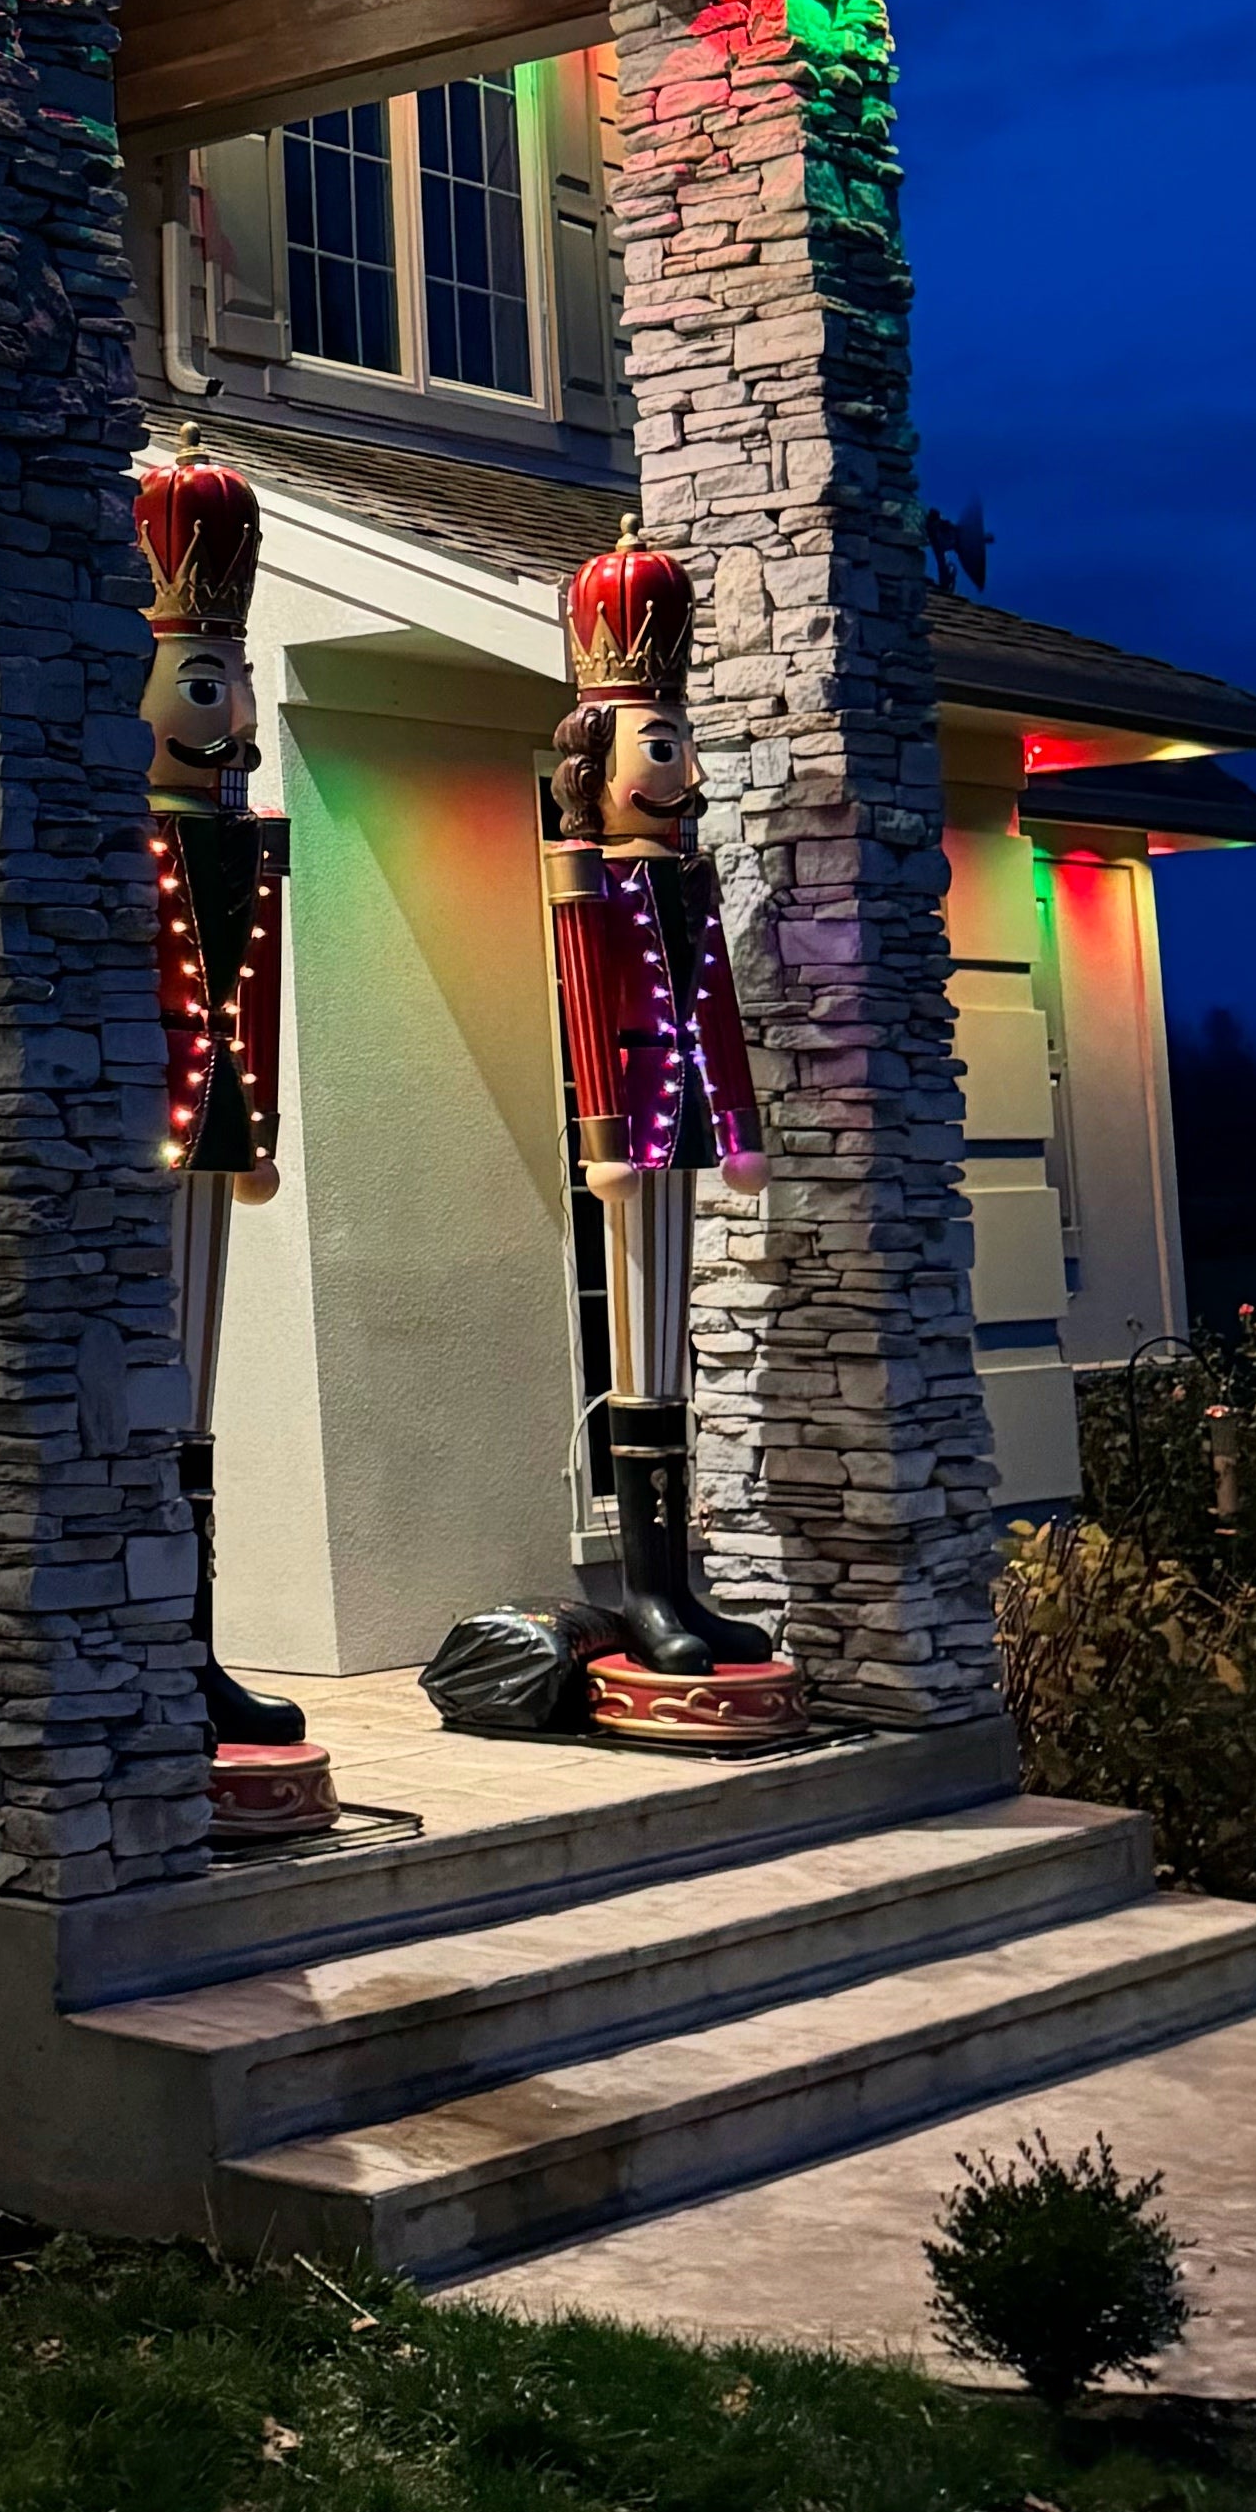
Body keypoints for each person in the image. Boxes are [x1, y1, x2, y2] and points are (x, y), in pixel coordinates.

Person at [548, 527, 803, 1741]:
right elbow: (584, 1004)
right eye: (661, 746)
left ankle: (679, 1584)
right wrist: (601, 1132)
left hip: (691, 1115)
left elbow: (718, 1006)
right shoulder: (585, 878)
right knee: (639, 1346)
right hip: (634, 1132)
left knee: (674, 1352)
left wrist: (740, 1122)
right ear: (595, 760)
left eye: (682, 743)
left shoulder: (687, 881)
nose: (683, 768)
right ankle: (648, 1592)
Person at [136, 447, 322, 1820]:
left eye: (241, 681)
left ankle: (193, 1650)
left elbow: (250, 981)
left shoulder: (244, 837)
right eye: (210, 683)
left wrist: (254, 1121)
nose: (241, 713)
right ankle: (156, 1650)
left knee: (198, 1394)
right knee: (155, 1386)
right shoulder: (123, 841)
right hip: (145, 1137)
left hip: (215, 1134)